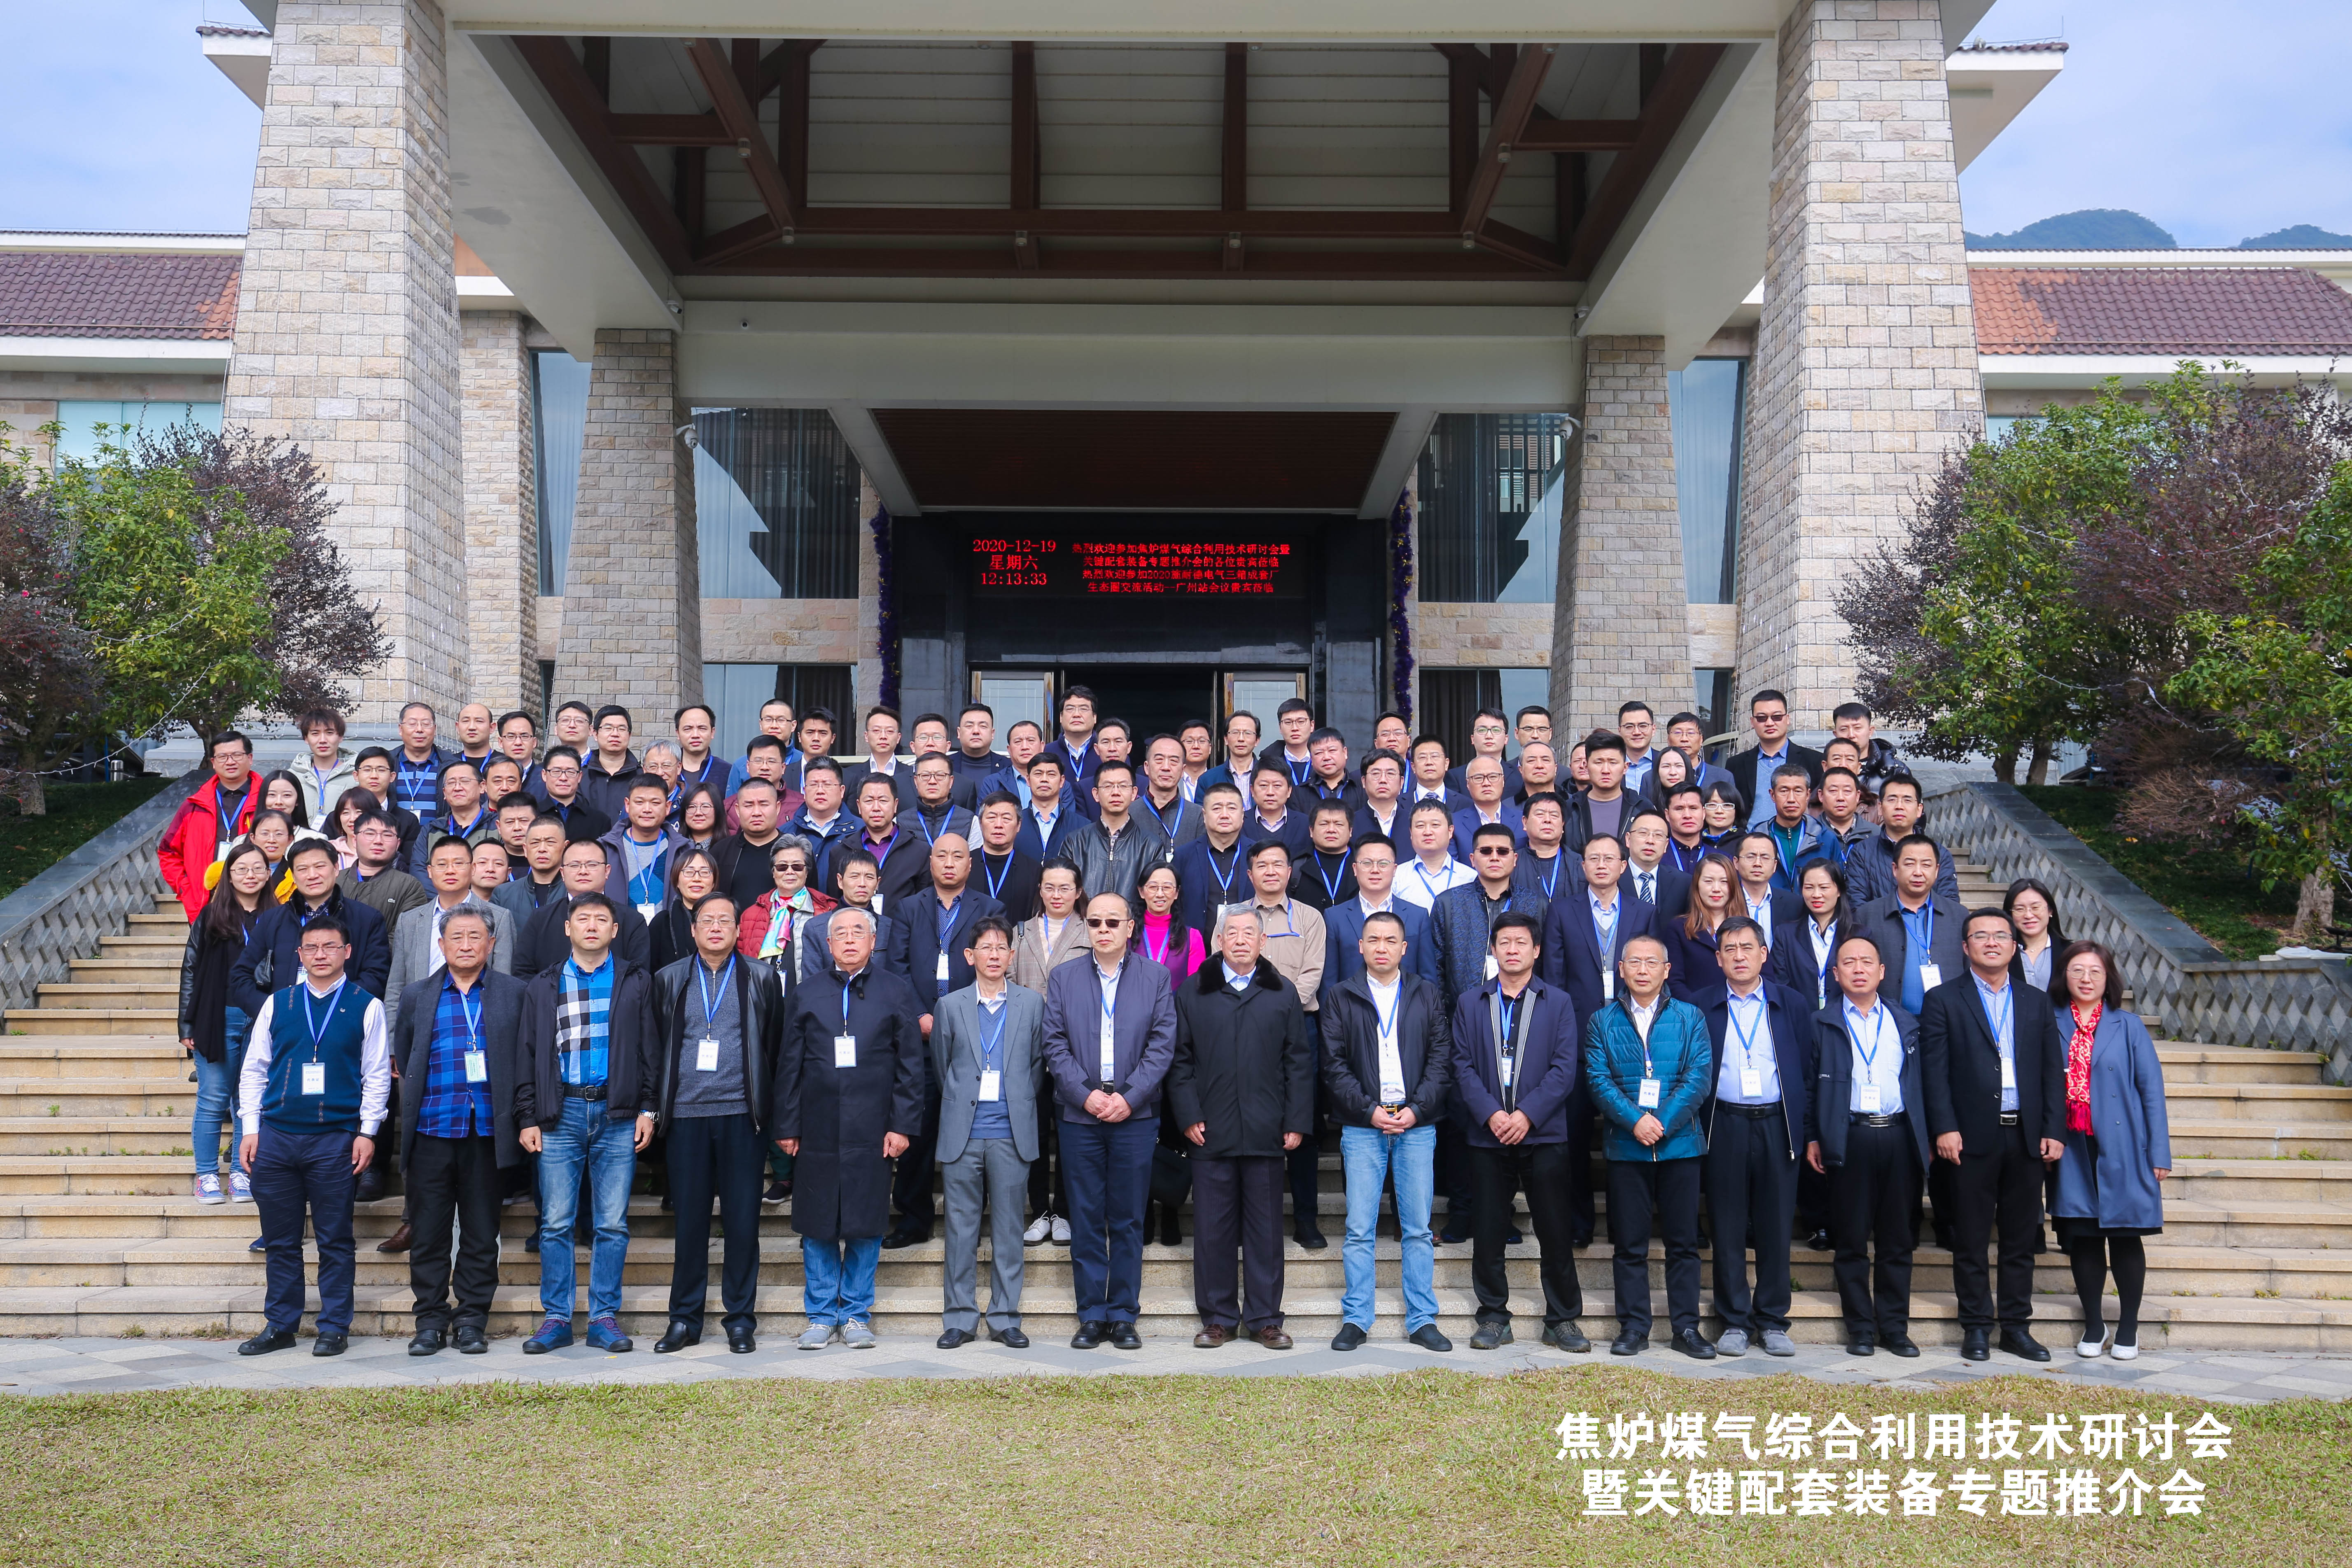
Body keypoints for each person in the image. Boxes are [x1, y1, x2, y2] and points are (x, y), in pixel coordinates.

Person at [233, 914, 390, 1358]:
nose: (321, 955)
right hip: (277, 1136)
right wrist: (251, 1129)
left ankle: (335, 1326)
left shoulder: (366, 1006)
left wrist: (368, 1132)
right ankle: (281, 1324)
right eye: (312, 948)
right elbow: (254, 1069)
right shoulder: (277, 1004)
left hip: (335, 1139)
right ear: (300, 955)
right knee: (280, 1239)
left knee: (335, 1238)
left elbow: (377, 1075)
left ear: (347, 952)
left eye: (330, 947)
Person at [772, 907, 925, 1349]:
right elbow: (789, 1064)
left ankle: (856, 1313)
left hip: (873, 1126)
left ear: (874, 941)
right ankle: (822, 1315)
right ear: (828, 944)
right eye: (841, 933)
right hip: (817, 1125)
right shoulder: (807, 993)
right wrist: (788, 1124)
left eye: (860, 931)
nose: (851, 939)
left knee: (865, 1221)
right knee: (818, 1221)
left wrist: (902, 1125)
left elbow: (910, 1066)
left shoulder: (895, 991)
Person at [1920, 908, 2068, 1363]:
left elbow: (2051, 1071)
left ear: (2014, 946)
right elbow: (1934, 1072)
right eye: (1981, 936)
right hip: (1969, 1138)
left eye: (2001, 936)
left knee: (2021, 1239)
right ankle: (1977, 1327)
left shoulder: (2036, 1001)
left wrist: (2053, 1129)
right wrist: (1944, 1127)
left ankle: (2017, 1327)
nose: (1991, 943)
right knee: (1970, 1239)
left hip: (2024, 1136)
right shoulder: (1944, 999)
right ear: (1965, 947)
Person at [514, 891, 658, 1354]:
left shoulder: (635, 981)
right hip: (561, 1113)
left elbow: (650, 1050)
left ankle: (603, 1318)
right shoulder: (544, 985)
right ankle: (557, 1318)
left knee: (612, 1223)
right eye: (583, 919)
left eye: (601, 919)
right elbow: (527, 1055)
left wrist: (649, 1109)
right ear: (568, 928)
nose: (591, 926)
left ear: (615, 931)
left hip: (618, 1113)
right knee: (556, 1222)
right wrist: (528, 1115)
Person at [1170, 905, 1314, 1350]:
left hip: (1266, 1129)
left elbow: (1299, 1062)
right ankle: (1217, 1318)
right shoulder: (1193, 991)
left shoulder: (1282, 992)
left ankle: (1265, 1319)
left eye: (1248, 933)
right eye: (1231, 933)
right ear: (1219, 941)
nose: (1239, 940)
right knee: (1212, 1230)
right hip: (1210, 1131)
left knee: (1265, 1231)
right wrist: (1188, 1114)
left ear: (1262, 941)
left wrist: (1295, 1120)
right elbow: (1179, 1060)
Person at [1041, 891, 1178, 1350]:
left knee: (1127, 1218)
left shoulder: (1156, 977)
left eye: (1112, 923)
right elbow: (1054, 1044)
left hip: (1135, 1116)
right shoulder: (1064, 977)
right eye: (1095, 922)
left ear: (1130, 927)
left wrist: (1130, 1097)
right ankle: (1091, 1315)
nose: (1103, 930)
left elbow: (1162, 1044)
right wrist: (1085, 1096)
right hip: (1080, 1116)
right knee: (1084, 1217)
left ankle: (1122, 1314)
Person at [649, 895, 786, 1353]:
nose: (715, 927)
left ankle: (740, 1320)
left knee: (742, 1224)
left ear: (737, 930)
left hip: (741, 1117)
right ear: (693, 930)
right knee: (690, 1224)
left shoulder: (762, 978)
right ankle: (683, 1320)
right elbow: (658, 1047)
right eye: (706, 920)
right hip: (686, 1117)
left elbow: (772, 1046)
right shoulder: (670, 979)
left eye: (724, 920)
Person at [1449, 911, 1588, 1351]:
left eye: (1521, 942)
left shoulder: (1558, 1002)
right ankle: (1493, 1316)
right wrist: (1491, 1113)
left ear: (1537, 950)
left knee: (1555, 1229)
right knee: (1489, 1230)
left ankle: (1562, 1319)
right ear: (1493, 949)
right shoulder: (1471, 1002)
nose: (1512, 949)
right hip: (1487, 1135)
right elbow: (1461, 1065)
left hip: (1544, 1134)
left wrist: (1527, 1114)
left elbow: (1564, 1069)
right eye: (1504, 942)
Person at [392, 904, 527, 1356]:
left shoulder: (514, 993)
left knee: (481, 1233)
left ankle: (471, 1319)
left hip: (488, 1131)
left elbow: (525, 1058)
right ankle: (430, 1321)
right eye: (456, 937)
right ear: (441, 944)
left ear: (492, 943)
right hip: (432, 1129)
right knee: (429, 1233)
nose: (466, 945)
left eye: (475, 937)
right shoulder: (417, 995)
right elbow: (407, 1053)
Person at [1320, 909, 1453, 1351]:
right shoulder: (1341, 995)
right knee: (1360, 1228)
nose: (1382, 947)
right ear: (1360, 946)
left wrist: (1417, 1110)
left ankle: (1422, 1320)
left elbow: (1441, 1059)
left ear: (1404, 948)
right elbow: (1334, 1066)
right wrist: (1368, 1110)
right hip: (1363, 1127)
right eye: (1373, 940)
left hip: (1417, 1125)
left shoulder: (1426, 993)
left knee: (1417, 1228)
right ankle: (1357, 1318)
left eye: (1390, 940)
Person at [1584, 932, 1714, 1358]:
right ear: (1621, 970)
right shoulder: (1602, 1021)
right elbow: (1598, 1081)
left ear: (1666, 970)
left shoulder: (1690, 1017)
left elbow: (1699, 1077)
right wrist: (1636, 1121)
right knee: (1629, 1245)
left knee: (1683, 1244)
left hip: (1680, 1147)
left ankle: (1687, 1328)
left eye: (1651, 962)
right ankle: (1634, 1327)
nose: (1643, 970)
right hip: (1627, 1147)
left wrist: (1662, 1122)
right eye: (1635, 962)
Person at [1804, 931, 1929, 1356]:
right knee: (1852, 1238)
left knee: (1897, 1239)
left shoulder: (1906, 1022)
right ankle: (1860, 1327)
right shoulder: (1821, 1023)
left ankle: (1894, 1328)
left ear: (1882, 971)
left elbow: (1923, 1084)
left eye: (1867, 962)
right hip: (1849, 1135)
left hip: (1899, 1135)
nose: (1858, 970)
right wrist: (1813, 1136)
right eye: (1849, 963)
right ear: (1836, 974)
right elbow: (1808, 1086)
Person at [2047, 939, 2170, 1361]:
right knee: (2084, 1237)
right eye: (2077, 970)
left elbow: (2151, 1091)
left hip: (2124, 1144)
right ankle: (2095, 1323)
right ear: (2064, 976)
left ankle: (2129, 1326)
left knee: (2125, 1235)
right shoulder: (2050, 1020)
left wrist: (2159, 1152)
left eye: (2095, 972)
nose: (2086, 979)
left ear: (2108, 978)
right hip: (2071, 1144)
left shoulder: (2127, 1025)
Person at [1694, 917, 1808, 1358]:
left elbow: (1806, 1068)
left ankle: (1773, 1319)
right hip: (1724, 1122)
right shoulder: (1701, 1005)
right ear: (1718, 958)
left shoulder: (1790, 1002)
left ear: (1764, 954)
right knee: (1726, 1224)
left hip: (1777, 1123)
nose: (1739, 956)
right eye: (1730, 949)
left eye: (1747, 948)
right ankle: (1735, 1321)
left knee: (1776, 1223)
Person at [928, 916, 1042, 1348]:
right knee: (960, 1230)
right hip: (964, 1134)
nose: (994, 955)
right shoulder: (950, 1006)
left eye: (1001, 948)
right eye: (986, 948)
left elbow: (1036, 1068)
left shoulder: (1032, 1004)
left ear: (1012, 956)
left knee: (1010, 1229)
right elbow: (943, 1068)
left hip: (1011, 1132)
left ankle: (1005, 1317)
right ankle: (959, 1318)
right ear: (969, 955)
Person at [890, 833, 1007, 1248]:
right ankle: (913, 1218)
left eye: (959, 855)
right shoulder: (908, 908)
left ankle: (974, 1218)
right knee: (918, 1128)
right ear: (931, 862)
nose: (950, 862)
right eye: (942, 855)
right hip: (918, 1037)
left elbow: (993, 967)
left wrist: (959, 1019)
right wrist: (921, 1015)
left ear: (970, 865)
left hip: (973, 1038)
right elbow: (897, 967)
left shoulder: (990, 908)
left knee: (974, 1132)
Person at [180, 842, 275, 1205]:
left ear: (269, 874)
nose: (250, 875)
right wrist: (187, 1025)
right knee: (214, 1097)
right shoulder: (211, 916)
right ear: (228, 876)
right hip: (216, 1017)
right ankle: (206, 1175)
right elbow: (191, 969)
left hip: (263, 1018)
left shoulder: (278, 917)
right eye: (241, 869)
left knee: (249, 1099)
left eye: (258, 868)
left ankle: (240, 1171)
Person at [1015, 858, 1092, 1244]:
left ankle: (1063, 1211)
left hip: (1075, 1051)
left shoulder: (1090, 932)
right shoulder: (1020, 932)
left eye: (1065, 888)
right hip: (1026, 1049)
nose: (1057, 895)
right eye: (1050, 887)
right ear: (1040, 891)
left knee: (1069, 1133)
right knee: (1032, 1133)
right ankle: (1039, 1211)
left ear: (1078, 892)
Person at [386, 835, 519, 1001]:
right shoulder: (409, 921)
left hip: (478, 1012)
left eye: (458, 864)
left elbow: (504, 984)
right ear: (430, 871)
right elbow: (396, 986)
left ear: (473, 869)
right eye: (442, 865)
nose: (450, 871)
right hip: (420, 1012)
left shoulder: (499, 918)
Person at [1857, 834, 1969, 1017]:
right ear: (1895, 869)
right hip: (1889, 1019)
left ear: (1937, 870)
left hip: (1950, 1019)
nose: (1918, 872)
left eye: (1926, 865)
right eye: (1910, 864)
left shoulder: (1958, 916)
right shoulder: (1868, 915)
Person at [514, 839, 653, 980]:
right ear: (563, 873)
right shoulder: (540, 918)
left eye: (592, 865)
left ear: (607, 871)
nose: (583, 871)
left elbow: (639, 977)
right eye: (574, 865)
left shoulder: (632, 920)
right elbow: (522, 972)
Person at [159, 732, 261, 919]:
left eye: (237, 755)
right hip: (206, 904)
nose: (230, 762)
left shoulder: (267, 801)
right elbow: (168, 852)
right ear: (213, 762)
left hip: (258, 901)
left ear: (250, 758)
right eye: (223, 757)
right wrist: (186, 888)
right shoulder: (194, 806)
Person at [1322, 835, 1437, 991]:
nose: (1375, 870)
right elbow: (1329, 981)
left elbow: (1428, 979)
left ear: (1395, 869)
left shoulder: (1418, 917)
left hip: (1406, 1004)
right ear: (1355, 869)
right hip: (1351, 1004)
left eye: (1383, 864)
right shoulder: (1335, 918)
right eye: (1367, 863)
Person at [1066, 758, 1169, 914]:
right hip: (1085, 925)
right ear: (1096, 794)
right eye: (1108, 786)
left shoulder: (1151, 846)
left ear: (1134, 793)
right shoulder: (1075, 842)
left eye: (1123, 786)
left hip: (1132, 926)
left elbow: (1156, 897)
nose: (1116, 792)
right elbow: (1064, 891)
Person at [1842, 774, 1959, 905]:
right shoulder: (1862, 852)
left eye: (1907, 800)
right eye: (1892, 800)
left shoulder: (1940, 854)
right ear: (1880, 808)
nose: (1899, 806)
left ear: (1919, 810)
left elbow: (1950, 906)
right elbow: (1857, 905)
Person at [1725, 690, 1822, 828]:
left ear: (1788, 719)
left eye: (1777, 717)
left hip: (1798, 838)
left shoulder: (1814, 761)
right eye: (1762, 718)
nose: (1770, 723)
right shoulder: (1736, 764)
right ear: (1752, 722)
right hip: (1749, 838)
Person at [737, 836, 834, 974]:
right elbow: (741, 965)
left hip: (812, 987)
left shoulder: (829, 910)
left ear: (807, 872)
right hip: (764, 987)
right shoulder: (750, 915)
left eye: (797, 867)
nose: (790, 872)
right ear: (773, 872)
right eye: (782, 867)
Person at [602, 775, 688, 925]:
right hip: (618, 933)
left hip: (668, 935)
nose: (647, 809)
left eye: (655, 803)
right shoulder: (605, 849)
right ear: (627, 805)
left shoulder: (684, 850)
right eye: (639, 802)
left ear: (668, 807)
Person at [1170, 781, 1250, 932]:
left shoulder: (1257, 855)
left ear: (1242, 815)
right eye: (1217, 808)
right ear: (1204, 815)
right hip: (1195, 944)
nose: (1225, 815)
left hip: (1246, 943)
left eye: (1232, 808)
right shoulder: (1183, 856)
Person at [1773, 860, 1852, 1011]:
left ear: (1839, 891)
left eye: (1824, 888)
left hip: (1845, 1018)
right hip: (1799, 1017)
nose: (1816, 895)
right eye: (1809, 888)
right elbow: (1781, 984)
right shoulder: (1785, 935)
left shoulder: (1858, 934)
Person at [336, 809, 432, 932]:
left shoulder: (409, 886)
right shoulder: (335, 881)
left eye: (387, 835)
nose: (378, 841)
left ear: (398, 844)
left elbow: (405, 935)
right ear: (355, 840)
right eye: (370, 834)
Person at [409, 759, 496, 876]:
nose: (458, 788)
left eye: (465, 781)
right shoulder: (431, 830)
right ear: (444, 793)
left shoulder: (497, 826)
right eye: (451, 783)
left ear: (482, 787)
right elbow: (419, 870)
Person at [716, 777, 792, 911]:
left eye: (764, 805)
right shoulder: (721, 852)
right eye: (749, 806)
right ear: (738, 810)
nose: (757, 813)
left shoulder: (795, 852)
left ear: (777, 808)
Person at [645, 846, 723, 973]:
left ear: (714, 882)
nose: (697, 879)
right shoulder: (662, 923)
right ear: (677, 881)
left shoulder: (725, 922)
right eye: (689, 872)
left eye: (705, 872)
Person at [971, 791, 1043, 922]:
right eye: (991, 818)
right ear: (980, 823)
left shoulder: (1034, 871)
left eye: (1007, 819)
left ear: (1019, 825)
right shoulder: (966, 864)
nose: (998, 825)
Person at [1759, 764, 1830, 892]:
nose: (1791, 799)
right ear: (1773, 795)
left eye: (1798, 791)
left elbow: (1838, 886)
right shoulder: (1756, 839)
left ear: (1808, 795)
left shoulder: (1825, 838)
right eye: (1784, 791)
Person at [1394, 800, 1475, 912]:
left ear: (1450, 831)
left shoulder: (1470, 878)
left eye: (1435, 825)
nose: (1428, 832)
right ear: (1411, 833)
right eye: (1420, 826)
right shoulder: (1396, 877)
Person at [1134, 862, 1205, 983]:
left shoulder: (1192, 937)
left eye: (1167, 888)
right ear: (1141, 892)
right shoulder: (1127, 934)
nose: (1160, 894)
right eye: (1153, 887)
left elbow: (1195, 988)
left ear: (1177, 893)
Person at [1731, 831, 1801, 951]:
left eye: (1765, 858)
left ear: (1775, 865)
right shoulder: (1726, 900)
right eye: (1751, 857)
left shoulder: (1794, 904)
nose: (1758, 864)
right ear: (1736, 863)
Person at [493, 814, 569, 924]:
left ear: (565, 847)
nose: (542, 849)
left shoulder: (575, 891)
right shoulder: (503, 894)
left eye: (550, 842)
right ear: (525, 849)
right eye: (535, 843)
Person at [1566, 733, 1635, 852]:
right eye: (1599, 763)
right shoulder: (1570, 808)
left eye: (1613, 763)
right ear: (1586, 767)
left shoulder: (1640, 807)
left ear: (1625, 768)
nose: (1606, 770)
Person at [1288, 800, 1359, 912]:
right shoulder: (1296, 867)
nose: (1331, 830)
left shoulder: (1364, 864)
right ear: (1311, 831)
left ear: (1350, 831)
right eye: (1324, 824)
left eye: (1339, 824)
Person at [290, 708, 358, 824]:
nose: (323, 740)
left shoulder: (357, 777)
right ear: (306, 738)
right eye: (315, 734)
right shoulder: (293, 776)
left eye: (330, 733)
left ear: (340, 737)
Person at [1044, 686, 1105, 814]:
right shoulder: (1046, 753)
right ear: (1061, 717)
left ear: (1095, 717)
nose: (1077, 715)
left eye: (1084, 709)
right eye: (1070, 709)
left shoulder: (1107, 752)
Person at [1136, 733, 1204, 848]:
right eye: (1159, 760)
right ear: (1147, 767)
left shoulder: (1198, 816)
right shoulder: (1129, 814)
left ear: (1183, 770)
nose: (1166, 767)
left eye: (1174, 761)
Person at [1449, 757, 1522, 863]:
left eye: (1493, 777)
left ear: (1503, 781)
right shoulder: (1454, 823)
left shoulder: (1523, 821)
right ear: (1468, 784)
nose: (1486, 783)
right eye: (1478, 778)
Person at [535, 747, 613, 843]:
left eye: (570, 772)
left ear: (580, 776)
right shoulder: (533, 815)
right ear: (544, 775)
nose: (563, 778)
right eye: (556, 772)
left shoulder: (600, 821)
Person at [390, 702, 453, 820]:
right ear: (401, 729)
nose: (419, 729)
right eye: (412, 724)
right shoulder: (387, 763)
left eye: (426, 724)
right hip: (393, 832)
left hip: (439, 831)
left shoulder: (451, 765)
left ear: (435, 729)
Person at [1015, 754, 1082, 862]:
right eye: (1038, 774)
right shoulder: (1014, 823)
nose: (1044, 780)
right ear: (1028, 780)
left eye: (1051, 774)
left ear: (1062, 781)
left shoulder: (1082, 826)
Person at [578, 705, 641, 820]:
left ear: (629, 735)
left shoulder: (641, 776)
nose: (615, 734)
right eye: (608, 728)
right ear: (595, 734)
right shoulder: (580, 776)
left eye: (622, 729)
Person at [2006, 878, 2067, 994]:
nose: (2029, 915)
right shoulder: (2002, 951)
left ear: (2050, 911)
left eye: (2036, 908)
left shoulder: (2071, 953)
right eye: (2020, 909)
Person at [1444, 707, 1520, 797]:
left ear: (1506, 739)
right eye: (1482, 730)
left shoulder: (1520, 775)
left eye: (1496, 730)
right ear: (1473, 739)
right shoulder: (1455, 777)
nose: (1489, 736)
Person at [949, 702, 1017, 798]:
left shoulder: (1009, 767)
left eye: (983, 726)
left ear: (992, 733)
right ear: (959, 732)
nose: (976, 731)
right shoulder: (945, 765)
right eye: (969, 726)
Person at [1242, 766, 1311, 861]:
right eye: (1264, 786)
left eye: (1277, 786)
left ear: (1289, 791)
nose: (1270, 793)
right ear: (1252, 790)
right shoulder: (1240, 822)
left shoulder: (1306, 823)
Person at [1351, 747, 1410, 851]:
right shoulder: (1350, 823)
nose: (1383, 780)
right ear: (1364, 782)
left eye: (1390, 774)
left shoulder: (1414, 822)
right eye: (1376, 774)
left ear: (1402, 782)